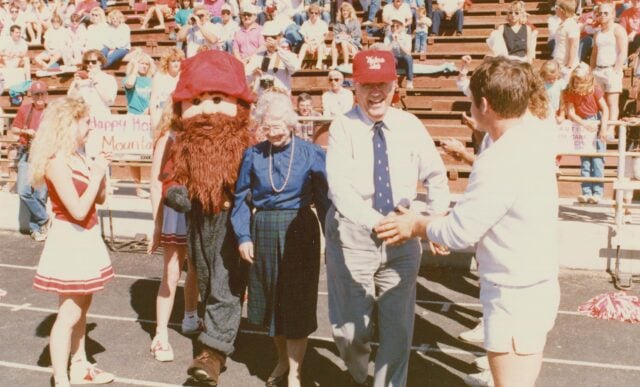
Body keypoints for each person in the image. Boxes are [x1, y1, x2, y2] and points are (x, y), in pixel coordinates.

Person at [376, 56, 559, 387]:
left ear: (484, 105)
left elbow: (460, 232)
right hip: (531, 284)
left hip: (514, 292)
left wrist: (417, 224)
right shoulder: (527, 140)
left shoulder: (502, 159)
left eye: (472, 100)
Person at [325, 49, 450, 386]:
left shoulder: (410, 126)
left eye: (382, 83)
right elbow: (339, 189)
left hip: (403, 236)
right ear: (355, 87)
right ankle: (358, 376)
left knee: (397, 327)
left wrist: (436, 221)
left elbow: (437, 175)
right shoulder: (342, 127)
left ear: (396, 85)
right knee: (351, 329)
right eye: (368, 85)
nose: (375, 92)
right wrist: (377, 222)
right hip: (354, 234)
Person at [162, 50, 256, 386]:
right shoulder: (184, 143)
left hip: (231, 220)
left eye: (218, 99)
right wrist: (176, 194)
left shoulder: (243, 141)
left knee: (225, 283)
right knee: (203, 277)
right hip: (198, 219)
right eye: (198, 101)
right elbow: (173, 177)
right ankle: (218, 335)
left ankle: (212, 353)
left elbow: (257, 174)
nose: (207, 110)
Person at [231, 91, 329, 387]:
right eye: (266, 126)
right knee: (271, 300)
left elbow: (324, 201)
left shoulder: (311, 153)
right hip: (263, 228)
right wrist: (243, 236)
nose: (271, 131)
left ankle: (296, 374)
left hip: (300, 230)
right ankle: (282, 359)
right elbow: (239, 201)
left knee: (296, 302)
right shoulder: (253, 154)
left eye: (277, 125)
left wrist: (332, 240)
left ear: (290, 123)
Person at [30, 97, 114, 387]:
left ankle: (79, 367)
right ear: (70, 123)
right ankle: (61, 378)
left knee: (83, 307)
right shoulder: (55, 162)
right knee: (68, 314)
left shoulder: (79, 156)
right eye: (87, 122)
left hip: (87, 237)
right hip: (70, 240)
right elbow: (77, 210)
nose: (91, 128)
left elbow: (98, 199)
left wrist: (102, 173)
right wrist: (98, 174)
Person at [146, 104, 200, 362]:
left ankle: (190, 316)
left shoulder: (201, 133)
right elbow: (156, 181)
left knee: (197, 268)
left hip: (198, 207)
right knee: (172, 271)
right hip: (175, 210)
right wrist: (156, 223)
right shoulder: (168, 136)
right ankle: (160, 335)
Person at [563, 64, 609, 204]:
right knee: (585, 162)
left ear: (587, 80)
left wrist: (603, 128)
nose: (577, 84)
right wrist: (583, 123)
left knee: (597, 160)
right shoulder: (570, 91)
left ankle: (597, 193)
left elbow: (605, 109)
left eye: (580, 82)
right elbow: (570, 112)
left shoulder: (595, 89)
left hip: (596, 121)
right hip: (581, 123)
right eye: (575, 81)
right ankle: (586, 192)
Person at [11, 80, 49, 241]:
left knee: (40, 195)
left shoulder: (52, 111)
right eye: (36, 94)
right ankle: (44, 218)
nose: (40, 97)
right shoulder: (25, 109)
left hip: (45, 155)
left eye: (42, 94)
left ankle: (37, 229)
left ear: (46, 95)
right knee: (23, 191)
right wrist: (26, 131)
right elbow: (13, 129)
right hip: (27, 153)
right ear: (32, 96)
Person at [590, 2, 627, 135]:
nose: (602, 15)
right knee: (598, 102)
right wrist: (591, 70)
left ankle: (610, 129)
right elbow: (594, 53)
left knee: (612, 102)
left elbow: (623, 51)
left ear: (612, 14)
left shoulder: (618, 30)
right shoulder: (597, 33)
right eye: (600, 13)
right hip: (598, 70)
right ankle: (600, 128)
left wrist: (616, 70)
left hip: (611, 69)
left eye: (606, 13)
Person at [123, 50, 155, 198]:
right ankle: (138, 187)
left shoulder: (152, 81)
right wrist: (134, 68)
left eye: (147, 64)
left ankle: (154, 184)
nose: (144, 66)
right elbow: (129, 84)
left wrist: (149, 109)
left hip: (149, 118)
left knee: (152, 153)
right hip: (134, 118)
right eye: (142, 63)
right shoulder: (129, 78)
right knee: (134, 155)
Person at [246, 20, 299, 96]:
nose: (270, 40)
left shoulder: (288, 55)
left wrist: (277, 48)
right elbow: (246, 75)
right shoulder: (257, 56)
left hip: (281, 98)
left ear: (280, 36)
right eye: (266, 37)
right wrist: (254, 74)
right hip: (263, 97)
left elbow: (295, 68)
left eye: (273, 37)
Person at [67, 50, 117, 117]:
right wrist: (76, 85)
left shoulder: (108, 79)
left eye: (94, 62)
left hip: (102, 116)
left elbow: (110, 101)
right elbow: (70, 99)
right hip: (84, 117)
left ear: (100, 62)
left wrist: (95, 82)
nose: (90, 64)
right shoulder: (80, 78)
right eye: (87, 62)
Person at [149, 47, 184, 130]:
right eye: (173, 61)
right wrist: (154, 121)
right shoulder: (159, 77)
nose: (176, 64)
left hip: (178, 115)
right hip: (161, 113)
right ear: (167, 62)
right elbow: (153, 100)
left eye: (179, 61)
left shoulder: (183, 76)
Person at [384, 17, 414, 89]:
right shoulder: (387, 37)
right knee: (390, 59)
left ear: (402, 27)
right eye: (392, 26)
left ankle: (409, 81)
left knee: (409, 58)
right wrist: (393, 41)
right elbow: (385, 52)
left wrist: (399, 42)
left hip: (404, 59)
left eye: (397, 26)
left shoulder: (407, 37)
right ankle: (393, 82)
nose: (395, 28)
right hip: (394, 59)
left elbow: (408, 52)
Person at [330, 2, 361, 69]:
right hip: (340, 43)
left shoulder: (355, 21)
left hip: (353, 44)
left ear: (350, 12)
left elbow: (357, 34)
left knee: (344, 42)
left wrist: (347, 35)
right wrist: (340, 35)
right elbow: (335, 34)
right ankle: (334, 64)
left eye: (347, 11)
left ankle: (346, 64)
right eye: (343, 11)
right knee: (334, 42)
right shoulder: (338, 23)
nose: (345, 12)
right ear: (341, 12)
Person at [553, 0, 580, 78]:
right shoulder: (562, 24)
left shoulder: (571, 25)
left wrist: (569, 66)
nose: (555, 9)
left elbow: (573, 46)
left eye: (556, 7)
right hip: (559, 63)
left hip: (566, 66)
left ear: (562, 10)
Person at [297, 3, 328, 70]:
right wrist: (309, 44)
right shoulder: (305, 24)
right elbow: (305, 38)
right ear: (309, 13)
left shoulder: (322, 23)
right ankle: (298, 64)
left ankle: (319, 64)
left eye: (316, 13)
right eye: (312, 12)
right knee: (304, 45)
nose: (314, 14)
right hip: (309, 44)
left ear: (319, 14)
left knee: (320, 46)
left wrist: (317, 44)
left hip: (319, 43)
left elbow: (323, 37)